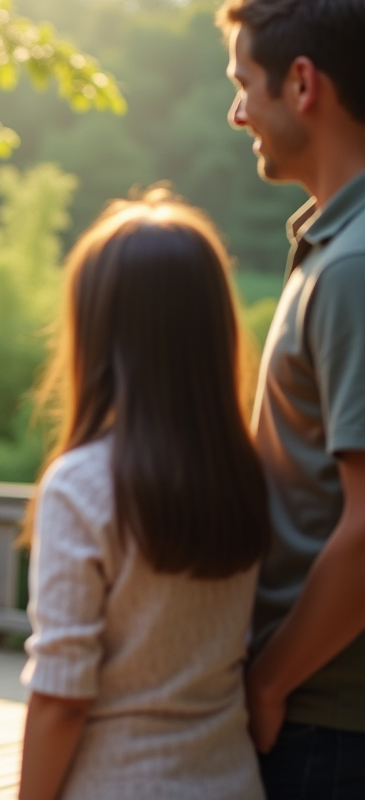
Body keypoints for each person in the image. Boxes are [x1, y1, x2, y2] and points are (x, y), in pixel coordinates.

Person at [18, 192, 271, 800]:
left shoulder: (82, 484)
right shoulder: (246, 472)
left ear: (97, 329)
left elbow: (61, 698)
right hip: (232, 778)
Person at [217, 1, 365, 795]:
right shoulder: (333, 246)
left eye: (245, 85)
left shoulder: (352, 269)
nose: (237, 113)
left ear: (303, 84)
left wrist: (269, 683)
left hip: (328, 722)